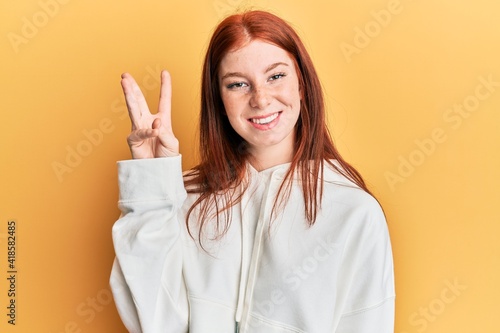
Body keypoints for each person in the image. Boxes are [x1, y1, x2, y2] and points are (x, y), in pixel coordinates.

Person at [110, 10, 395, 333]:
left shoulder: (354, 213)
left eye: (276, 76)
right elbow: (150, 319)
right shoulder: (184, 197)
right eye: (237, 84)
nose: (260, 99)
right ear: (219, 100)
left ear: (302, 84)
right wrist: (152, 182)